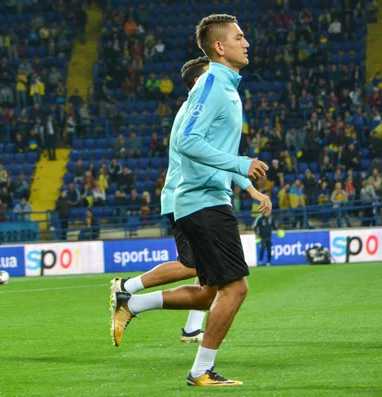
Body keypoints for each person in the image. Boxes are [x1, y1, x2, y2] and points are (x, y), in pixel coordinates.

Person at [112, 15, 269, 387]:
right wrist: (240, 163)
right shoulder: (212, 83)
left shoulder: (225, 85)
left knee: (208, 293)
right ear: (219, 46)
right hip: (202, 203)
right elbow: (188, 142)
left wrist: (245, 182)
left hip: (207, 199)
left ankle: (131, 302)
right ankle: (200, 370)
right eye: (239, 36)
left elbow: (210, 146)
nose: (246, 42)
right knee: (236, 288)